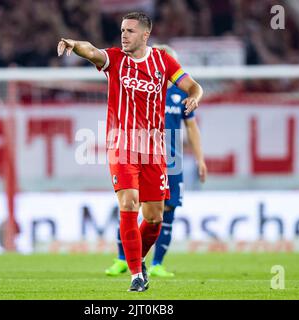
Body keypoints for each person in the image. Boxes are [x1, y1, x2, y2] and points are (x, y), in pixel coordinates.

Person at [58, 12, 203, 292]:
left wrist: (195, 97)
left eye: (130, 31)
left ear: (145, 35)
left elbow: (193, 85)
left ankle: (139, 260)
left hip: (154, 150)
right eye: (123, 30)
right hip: (122, 147)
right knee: (128, 203)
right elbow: (91, 51)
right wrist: (75, 44)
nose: (124, 35)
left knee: (154, 218)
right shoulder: (115, 59)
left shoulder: (163, 62)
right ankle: (136, 274)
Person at [105, 44, 207, 278]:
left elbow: (192, 128)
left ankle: (157, 263)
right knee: (130, 204)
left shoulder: (181, 95)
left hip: (172, 160)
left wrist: (200, 158)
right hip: (139, 154)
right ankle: (125, 259)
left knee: (163, 212)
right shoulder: (142, 89)